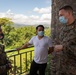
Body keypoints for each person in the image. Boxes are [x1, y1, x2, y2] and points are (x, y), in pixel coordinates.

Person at [54, 5, 76, 75]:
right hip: (62, 67)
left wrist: (63, 47)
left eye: (61, 15)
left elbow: (64, 46)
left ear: (69, 13)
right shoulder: (63, 28)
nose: (60, 18)